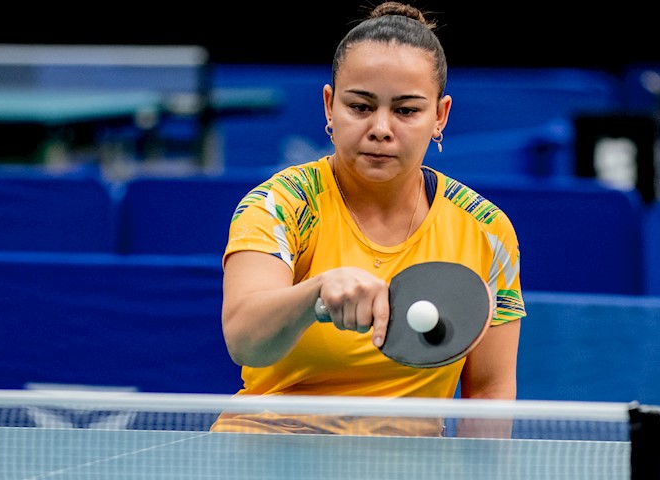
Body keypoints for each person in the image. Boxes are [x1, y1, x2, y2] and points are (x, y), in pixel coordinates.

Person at [210, 1, 525, 436]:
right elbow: (244, 339)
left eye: (406, 110)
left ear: (440, 115)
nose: (380, 127)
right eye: (360, 106)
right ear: (329, 105)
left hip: (404, 464)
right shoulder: (280, 205)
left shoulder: (486, 230)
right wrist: (314, 295)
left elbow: (489, 393)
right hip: (270, 451)